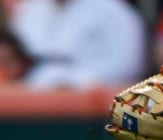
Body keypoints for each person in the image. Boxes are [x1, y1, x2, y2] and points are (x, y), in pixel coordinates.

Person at [9, 0, 145, 89]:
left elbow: (127, 66)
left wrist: (75, 82)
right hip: (32, 104)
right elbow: (15, 60)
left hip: (94, 110)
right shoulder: (30, 11)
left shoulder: (114, 11)